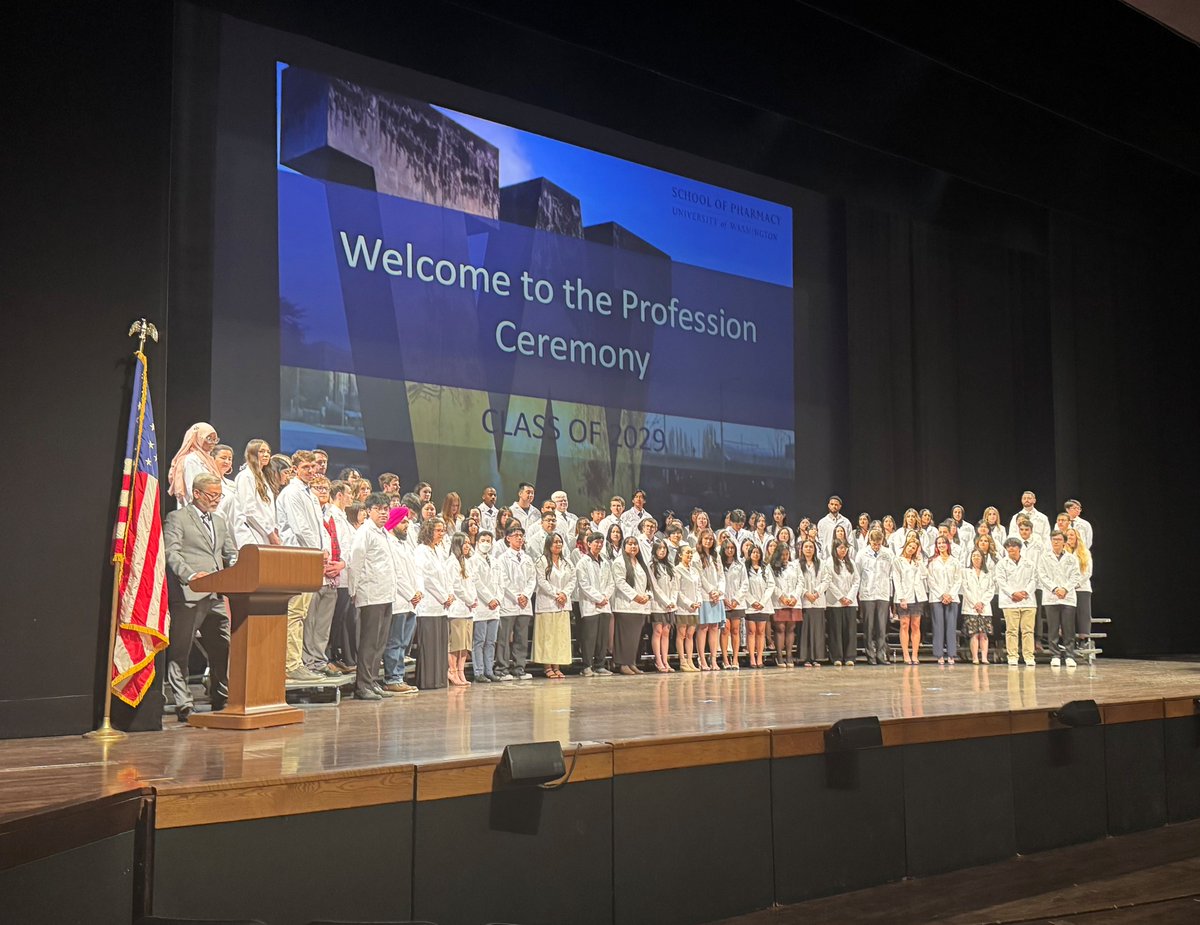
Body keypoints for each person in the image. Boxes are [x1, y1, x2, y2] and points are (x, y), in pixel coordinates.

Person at [163, 473, 237, 721]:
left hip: (216, 594)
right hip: (190, 594)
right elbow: (171, 552)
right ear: (196, 493)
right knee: (181, 650)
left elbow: (230, 553)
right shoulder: (177, 518)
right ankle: (183, 703)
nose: (216, 500)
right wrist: (191, 575)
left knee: (222, 646)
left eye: (219, 495)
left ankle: (221, 695)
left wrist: (241, 567)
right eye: (212, 495)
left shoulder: (219, 521)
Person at [276, 450, 337, 682]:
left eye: (313, 467)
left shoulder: (309, 493)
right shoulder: (292, 493)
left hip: (310, 557)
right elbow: (300, 528)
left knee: (301, 613)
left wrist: (324, 549)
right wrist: (317, 551)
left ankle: (297, 662)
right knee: (295, 612)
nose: (311, 471)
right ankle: (291, 664)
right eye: (306, 468)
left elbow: (318, 527)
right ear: (295, 469)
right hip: (298, 557)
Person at [346, 493, 399, 700]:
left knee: (380, 642)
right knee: (369, 641)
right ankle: (363, 685)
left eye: (386, 509)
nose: (384, 513)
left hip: (385, 593)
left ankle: (373, 680)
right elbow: (355, 562)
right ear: (369, 511)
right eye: (379, 509)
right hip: (371, 594)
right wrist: (353, 590)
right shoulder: (364, 532)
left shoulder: (384, 533)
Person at [381, 506, 419, 694]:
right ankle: (392, 678)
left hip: (411, 602)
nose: (407, 526)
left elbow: (415, 571)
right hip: (399, 600)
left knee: (404, 643)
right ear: (394, 522)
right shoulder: (389, 544)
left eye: (408, 522)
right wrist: (411, 594)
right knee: (395, 642)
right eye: (403, 522)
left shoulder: (406, 546)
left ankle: (399, 676)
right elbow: (396, 574)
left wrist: (418, 591)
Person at [414, 517, 453, 690]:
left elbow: (446, 575)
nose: (441, 533)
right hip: (429, 604)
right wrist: (444, 596)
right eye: (438, 530)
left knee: (440, 644)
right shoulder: (421, 551)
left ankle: (439, 679)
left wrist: (450, 594)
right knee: (429, 645)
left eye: (443, 530)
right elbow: (428, 578)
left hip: (442, 606)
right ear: (428, 531)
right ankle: (428, 681)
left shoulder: (438, 550)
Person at [323, 479, 358, 673]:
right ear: (339, 495)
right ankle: (328, 657)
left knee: (340, 620)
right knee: (333, 619)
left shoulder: (343, 517)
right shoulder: (332, 516)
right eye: (349, 493)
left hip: (345, 574)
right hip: (338, 574)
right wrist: (341, 563)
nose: (352, 497)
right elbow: (337, 543)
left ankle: (336, 657)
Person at [495, 524, 536, 680]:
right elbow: (503, 580)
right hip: (509, 602)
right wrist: (517, 596)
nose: (519, 538)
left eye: (521, 536)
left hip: (524, 604)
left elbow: (532, 579)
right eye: (516, 535)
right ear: (508, 538)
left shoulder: (528, 558)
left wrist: (525, 595)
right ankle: (502, 668)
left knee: (521, 637)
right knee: (504, 637)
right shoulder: (502, 559)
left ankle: (519, 668)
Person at [534, 533, 576, 679]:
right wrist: (556, 594)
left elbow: (573, 580)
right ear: (548, 544)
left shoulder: (567, 562)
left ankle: (557, 666)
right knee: (548, 637)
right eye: (555, 542)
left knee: (560, 637)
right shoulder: (541, 561)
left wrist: (564, 594)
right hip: (547, 603)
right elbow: (541, 581)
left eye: (560, 542)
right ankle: (547, 667)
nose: (558, 544)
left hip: (563, 604)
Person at [1040, 529, 1082, 668]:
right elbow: (1042, 575)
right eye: (1054, 540)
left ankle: (1069, 655)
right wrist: (1055, 589)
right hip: (1051, 597)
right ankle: (1055, 655)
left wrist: (1065, 589)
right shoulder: (1044, 557)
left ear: (1064, 542)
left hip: (1068, 597)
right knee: (1053, 629)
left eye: (1059, 540)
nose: (1056, 542)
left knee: (1068, 628)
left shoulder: (1072, 558)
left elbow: (1076, 576)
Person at [611, 535, 652, 674]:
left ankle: (632, 662)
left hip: (640, 606)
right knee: (625, 637)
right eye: (630, 544)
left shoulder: (641, 563)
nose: (633, 546)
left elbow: (647, 583)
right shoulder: (619, 562)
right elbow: (620, 582)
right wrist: (635, 596)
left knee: (635, 638)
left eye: (635, 544)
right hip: (626, 606)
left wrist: (647, 595)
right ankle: (623, 664)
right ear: (624, 547)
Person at [576, 531, 614, 677]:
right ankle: (587, 666)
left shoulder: (605, 562)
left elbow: (611, 583)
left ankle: (600, 665)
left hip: (604, 605)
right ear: (589, 543)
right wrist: (598, 598)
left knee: (602, 638)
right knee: (589, 637)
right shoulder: (583, 562)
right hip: (590, 605)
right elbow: (584, 584)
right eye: (596, 542)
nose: (599, 545)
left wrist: (605, 597)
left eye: (601, 542)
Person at [997, 536, 1038, 667]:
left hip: (1028, 601)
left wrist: (1025, 592)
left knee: (1028, 631)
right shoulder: (1002, 564)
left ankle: (1029, 656)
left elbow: (1034, 580)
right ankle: (1012, 656)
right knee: (1011, 630)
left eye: (1014, 546)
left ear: (1019, 548)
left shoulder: (1029, 563)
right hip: (1010, 602)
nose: (1011, 549)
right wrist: (1013, 593)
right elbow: (1001, 582)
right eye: (1008, 546)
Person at [232, 439, 281, 548]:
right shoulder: (246, 476)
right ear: (252, 453)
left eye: (268, 452)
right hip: (252, 533)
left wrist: (273, 529)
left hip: (265, 533)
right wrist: (269, 532)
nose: (266, 455)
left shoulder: (263, 478)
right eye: (261, 451)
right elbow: (249, 510)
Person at [856, 528, 894, 665]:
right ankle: (870, 655)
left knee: (881, 627)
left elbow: (891, 574)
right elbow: (857, 575)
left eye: (879, 544)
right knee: (869, 627)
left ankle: (880, 654)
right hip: (867, 595)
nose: (877, 546)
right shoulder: (862, 554)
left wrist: (890, 594)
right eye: (874, 544)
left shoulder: (888, 553)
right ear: (870, 541)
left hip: (883, 594)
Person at [446, 532, 478, 686]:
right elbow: (456, 586)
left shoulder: (466, 562)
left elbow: (471, 583)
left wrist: (474, 599)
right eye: (464, 543)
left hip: (468, 609)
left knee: (465, 644)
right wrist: (469, 600)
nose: (467, 546)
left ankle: (461, 671)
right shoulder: (452, 563)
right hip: (457, 608)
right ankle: (452, 671)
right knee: (455, 644)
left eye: (468, 543)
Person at [469, 530, 502, 681]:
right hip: (482, 606)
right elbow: (476, 582)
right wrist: (489, 599)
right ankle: (479, 672)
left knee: (491, 642)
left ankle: (489, 670)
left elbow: (501, 582)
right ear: (477, 543)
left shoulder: (495, 562)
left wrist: (498, 599)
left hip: (495, 608)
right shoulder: (472, 561)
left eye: (488, 541)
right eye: (483, 540)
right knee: (479, 641)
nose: (486, 543)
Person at [166, 422, 223, 507]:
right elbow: (192, 489)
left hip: (209, 507)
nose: (213, 443)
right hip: (196, 509)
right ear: (197, 438)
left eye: (215, 439)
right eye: (209, 438)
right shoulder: (191, 460)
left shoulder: (208, 459)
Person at [927, 534, 963, 665]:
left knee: (951, 626)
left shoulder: (955, 561)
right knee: (938, 626)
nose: (941, 545)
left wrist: (950, 595)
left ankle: (951, 654)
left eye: (943, 543)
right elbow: (931, 580)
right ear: (936, 546)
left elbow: (958, 580)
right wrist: (942, 595)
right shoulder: (932, 562)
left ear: (948, 545)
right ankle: (939, 654)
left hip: (952, 598)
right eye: (939, 543)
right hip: (937, 598)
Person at [694, 528, 726, 671]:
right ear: (701, 540)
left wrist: (719, 591)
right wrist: (711, 591)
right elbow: (700, 577)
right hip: (705, 596)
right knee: (703, 627)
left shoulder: (715, 555)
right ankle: (702, 659)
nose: (708, 541)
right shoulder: (696, 556)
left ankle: (713, 659)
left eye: (711, 539)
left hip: (716, 597)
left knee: (714, 627)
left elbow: (721, 575)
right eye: (706, 538)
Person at [892, 534, 927, 665]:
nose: (911, 549)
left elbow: (925, 574)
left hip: (917, 596)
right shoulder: (898, 561)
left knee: (916, 625)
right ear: (906, 546)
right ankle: (906, 654)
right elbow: (897, 580)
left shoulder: (917, 562)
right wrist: (902, 598)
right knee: (904, 625)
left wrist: (919, 560)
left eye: (914, 548)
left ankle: (915, 654)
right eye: (910, 546)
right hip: (904, 597)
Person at [825, 540, 860, 666]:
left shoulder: (851, 563)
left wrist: (849, 597)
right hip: (835, 602)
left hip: (850, 602)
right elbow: (828, 581)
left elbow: (856, 580)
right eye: (841, 548)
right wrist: (840, 597)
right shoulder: (829, 562)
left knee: (850, 630)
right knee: (836, 631)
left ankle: (850, 656)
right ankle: (837, 657)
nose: (843, 550)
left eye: (845, 548)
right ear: (835, 549)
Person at [796, 538, 828, 667]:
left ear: (814, 550)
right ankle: (805, 657)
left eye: (811, 547)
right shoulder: (796, 564)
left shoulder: (821, 563)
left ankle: (817, 657)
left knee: (817, 630)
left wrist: (817, 592)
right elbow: (797, 581)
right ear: (801, 549)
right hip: (804, 600)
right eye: (806, 547)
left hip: (818, 600)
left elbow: (826, 580)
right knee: (805, 631)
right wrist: (806, 593)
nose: (808, 549)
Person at [647, 539, 678, 672]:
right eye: (659, 548)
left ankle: (665, 660)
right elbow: (654, 587)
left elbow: (675, 586)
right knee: (658, 631)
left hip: (670, 604)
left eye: (664, 548)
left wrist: (673, 601)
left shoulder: (670, 566)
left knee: (666, 632)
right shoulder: (651, 565)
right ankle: (658, 660)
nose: (662, 550)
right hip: (658, 603)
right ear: (655, 550)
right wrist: (666, 601)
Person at [962, 548, 994, 665]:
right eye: (974, 556)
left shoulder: (988, 573)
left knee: (984, 634)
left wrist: (982, 603)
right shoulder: (966, 572)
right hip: (971, 607)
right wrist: (975, 603)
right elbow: (965, 589)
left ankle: (984, 657)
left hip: (984, 607)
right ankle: (975, 657)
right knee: (974, 634)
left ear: (982, 558)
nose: (976, 558)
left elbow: (991, 589)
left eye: (978, 556)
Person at [743, 542, 773, 668]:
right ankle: (752, 658)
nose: (756, 554)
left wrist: (762, 602)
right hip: (750, 605)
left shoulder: (765, 568)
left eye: (758, 552)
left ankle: (759, 658)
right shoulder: (745, 568)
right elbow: (743, 586)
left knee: (761, 632)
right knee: (751, 631)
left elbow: (771, 585)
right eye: (753, 552)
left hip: (763, 605)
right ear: (750, 554)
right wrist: (752, 601)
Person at [768, 543, 798, 667]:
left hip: (793, 601)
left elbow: (800, 582)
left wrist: (794, 596)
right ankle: (779, 656)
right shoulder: (771, 567)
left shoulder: (794, 565)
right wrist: (782, 597)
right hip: (779, 602)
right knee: (780, 628)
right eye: (782, 554)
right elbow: (772, 584)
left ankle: (789, 655)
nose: (785, 557)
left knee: (791, 628)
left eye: (787, 554)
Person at [1066, 527, 1094, 657]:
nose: (1070, 538)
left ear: (1077, 537)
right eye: (1068, 535)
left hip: (1082, 587)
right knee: (1068, 614)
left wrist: (1076, 584)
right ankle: (1068, 640)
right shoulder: (1064, 552)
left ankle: (1083, 640)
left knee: (1083, 613)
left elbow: (1088, 572)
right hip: (1068, 589)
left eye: (1072, 535)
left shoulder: (1085, 552)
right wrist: (1068, 585)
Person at [674, 545, 702, 670]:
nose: (690, 555)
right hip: (683, 607)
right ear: (680, 555)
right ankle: (682, 661)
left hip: (694, 608)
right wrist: (689, 603)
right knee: (682, 634)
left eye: (691, 553)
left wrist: (698, 601)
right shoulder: (677, 570)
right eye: (687, 553)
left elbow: (698, 588)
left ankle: (690, 660)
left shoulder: (694, 570)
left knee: (690, 634)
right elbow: (677, 590)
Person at [720, 538, 746, 669]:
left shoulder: (740, 565)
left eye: (732, 548)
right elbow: (718, 582)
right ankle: (725, 659)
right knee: (725, 630)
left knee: (735, 630)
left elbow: (744, 584)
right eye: (727, 548)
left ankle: (735, 658)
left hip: (736, 603)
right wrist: (724, 598)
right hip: (723, 602)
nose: (730, 550)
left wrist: (736, 599)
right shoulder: (719, 564)